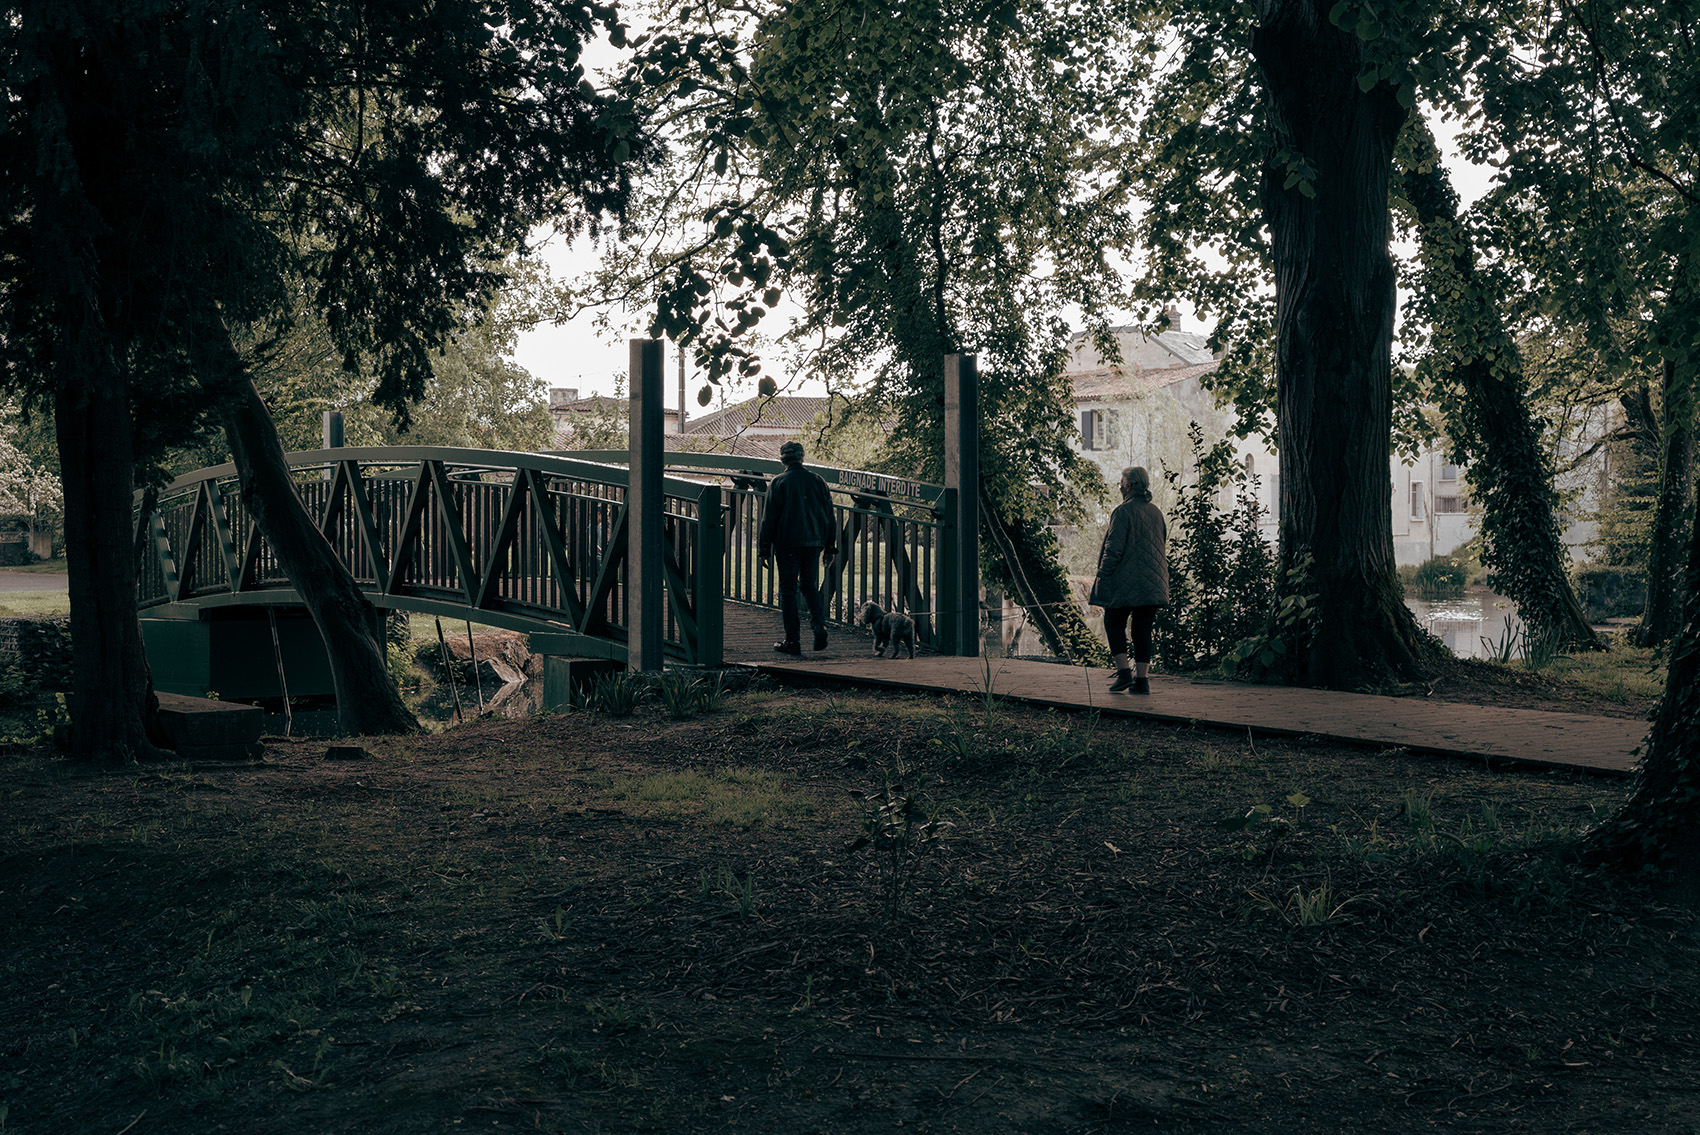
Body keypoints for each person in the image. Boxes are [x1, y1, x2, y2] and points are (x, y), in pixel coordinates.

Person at [1090, 466, 1168, 693]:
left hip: (1124, 582)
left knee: (1113, 622)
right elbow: (1161, 543)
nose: (1120, 487)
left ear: (1131, 485)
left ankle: (1124, 673)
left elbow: (1113, 549)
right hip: (1153, 581)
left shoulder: (1123, 512)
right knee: (1142, 629)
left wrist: (1103, 575)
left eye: (1121, 483)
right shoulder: (1156, 512)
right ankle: (1142, 681)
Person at [759, 441, 838, 655]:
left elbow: (769, 519)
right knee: (809, 586)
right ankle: (819, 625)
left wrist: (764, 549)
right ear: (802, 458)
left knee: (787, 590)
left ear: (782, 459)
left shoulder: (778, 482)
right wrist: (830, 547)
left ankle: (792, 641)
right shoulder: (817, 481)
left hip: (787, 543)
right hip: (813, 542)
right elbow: (830, 516)